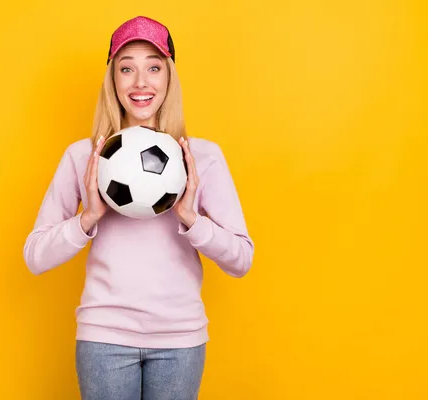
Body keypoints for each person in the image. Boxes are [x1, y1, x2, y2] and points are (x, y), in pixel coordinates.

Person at [23, 15, 255, 400]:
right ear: (112, 78)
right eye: (126, 67)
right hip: (104, 340)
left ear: (169, 77)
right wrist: (88, 219)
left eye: (154, 67)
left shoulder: (204, 157)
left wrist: (190, 219)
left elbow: (241, 260)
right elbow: (35, 256)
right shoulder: (84, 156)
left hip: (180, 342)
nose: (141, 82)